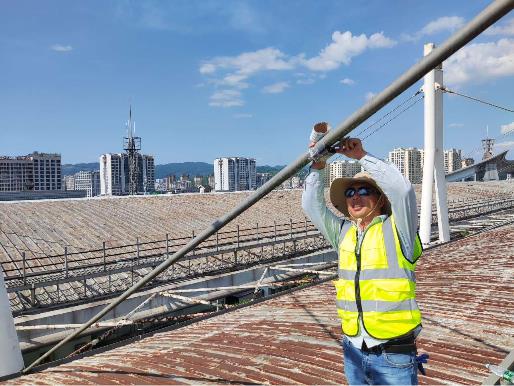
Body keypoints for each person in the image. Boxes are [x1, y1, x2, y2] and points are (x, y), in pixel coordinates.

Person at [302, 122, 423, 385]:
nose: (355, 197)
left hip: (393, 353)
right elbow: (312, 206)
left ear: (380, 198)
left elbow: (402, 191)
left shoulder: (398, 230)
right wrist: (318, 167)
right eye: (350, 192)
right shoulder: (345, 232)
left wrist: (361, 157)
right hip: (353, 349)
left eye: (363, 190)